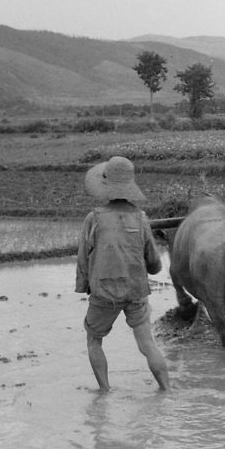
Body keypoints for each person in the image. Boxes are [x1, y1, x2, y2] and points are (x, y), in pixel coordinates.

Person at [75, 156, 170, 392]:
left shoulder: (93, 218)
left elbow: (83, 260)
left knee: (94, 340)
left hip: (104, 292)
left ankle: (105, 392)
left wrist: (85, 286)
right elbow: (154, 263)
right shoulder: (141, 218)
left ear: (105, 185)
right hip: (136, 291)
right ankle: (167, 391)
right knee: (147, 344)